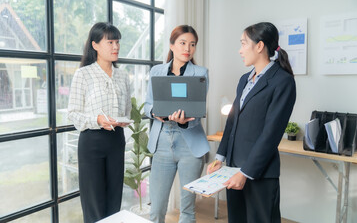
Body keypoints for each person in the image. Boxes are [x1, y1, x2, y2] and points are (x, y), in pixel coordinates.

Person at [207, 22, 296, 223]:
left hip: (260, 172)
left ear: (259, 46)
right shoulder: (244, 79)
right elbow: (232, 121)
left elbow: (271, 134)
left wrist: (246, 172)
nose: (240, 50)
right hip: (233, 168)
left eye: (243, 44)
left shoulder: (283, 81)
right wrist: (220, 157)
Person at [144, 25, 210, 223]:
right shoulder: (157, 71)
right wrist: (156, 112)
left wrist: (183, 122)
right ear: (172, 45)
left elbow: (198, 112)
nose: (187, 49)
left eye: (192, 44)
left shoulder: (201, 73)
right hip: (162, 142)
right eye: (182, 43)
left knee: (187, 210)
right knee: (156, 209)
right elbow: (148, 105)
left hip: (190, 146)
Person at [68, 22, 131, 223]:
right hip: (92, 142)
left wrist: (122, 121)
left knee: (114, 201)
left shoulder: (122, 75)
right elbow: (73, 113)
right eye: (110, 42)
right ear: (95, 45)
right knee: (94, 204)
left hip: (116, 140)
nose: (116, 47)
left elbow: (126, 110)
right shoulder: (83, 74)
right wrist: (97, 119)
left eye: (117, 42)